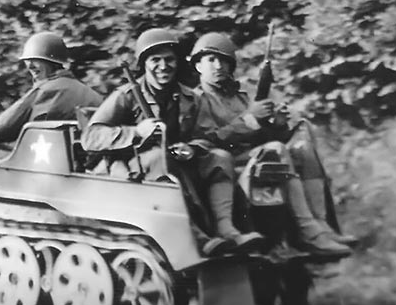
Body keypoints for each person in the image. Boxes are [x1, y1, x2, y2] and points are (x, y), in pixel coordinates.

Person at [81, 28, 264, 256]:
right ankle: (196, 236)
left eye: (169, 60)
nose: (163, 66)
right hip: (133, 166)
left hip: (178, 160)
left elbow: (207, 136)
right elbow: (91, 137)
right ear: (144, 64)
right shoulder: (127, 95)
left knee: (220, 158)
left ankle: (226, 229)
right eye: (155, 60)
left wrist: (192, 148)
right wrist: (136, 132)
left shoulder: (190, 98)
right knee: (160, 158)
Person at [190, 32, 355, 256]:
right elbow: (208, 141)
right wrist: (249, 119)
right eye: (211, 60)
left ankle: (322, 225)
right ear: (198, 65)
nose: (218, 66)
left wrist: (276, 125)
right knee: (277, 150)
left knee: (303, 142)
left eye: (223, 61)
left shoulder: (240, 98)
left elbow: (261, 137)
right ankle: (309, 232)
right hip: (224, 166)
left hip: (256, 157)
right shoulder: (197, 100)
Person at [0, 32, 103, 148]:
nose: (30, 66)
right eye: (28, 60)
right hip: (75, 164)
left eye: (37, 60)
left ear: (53, 62)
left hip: (42, 167)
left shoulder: (46, 90)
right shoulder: (93, 96)